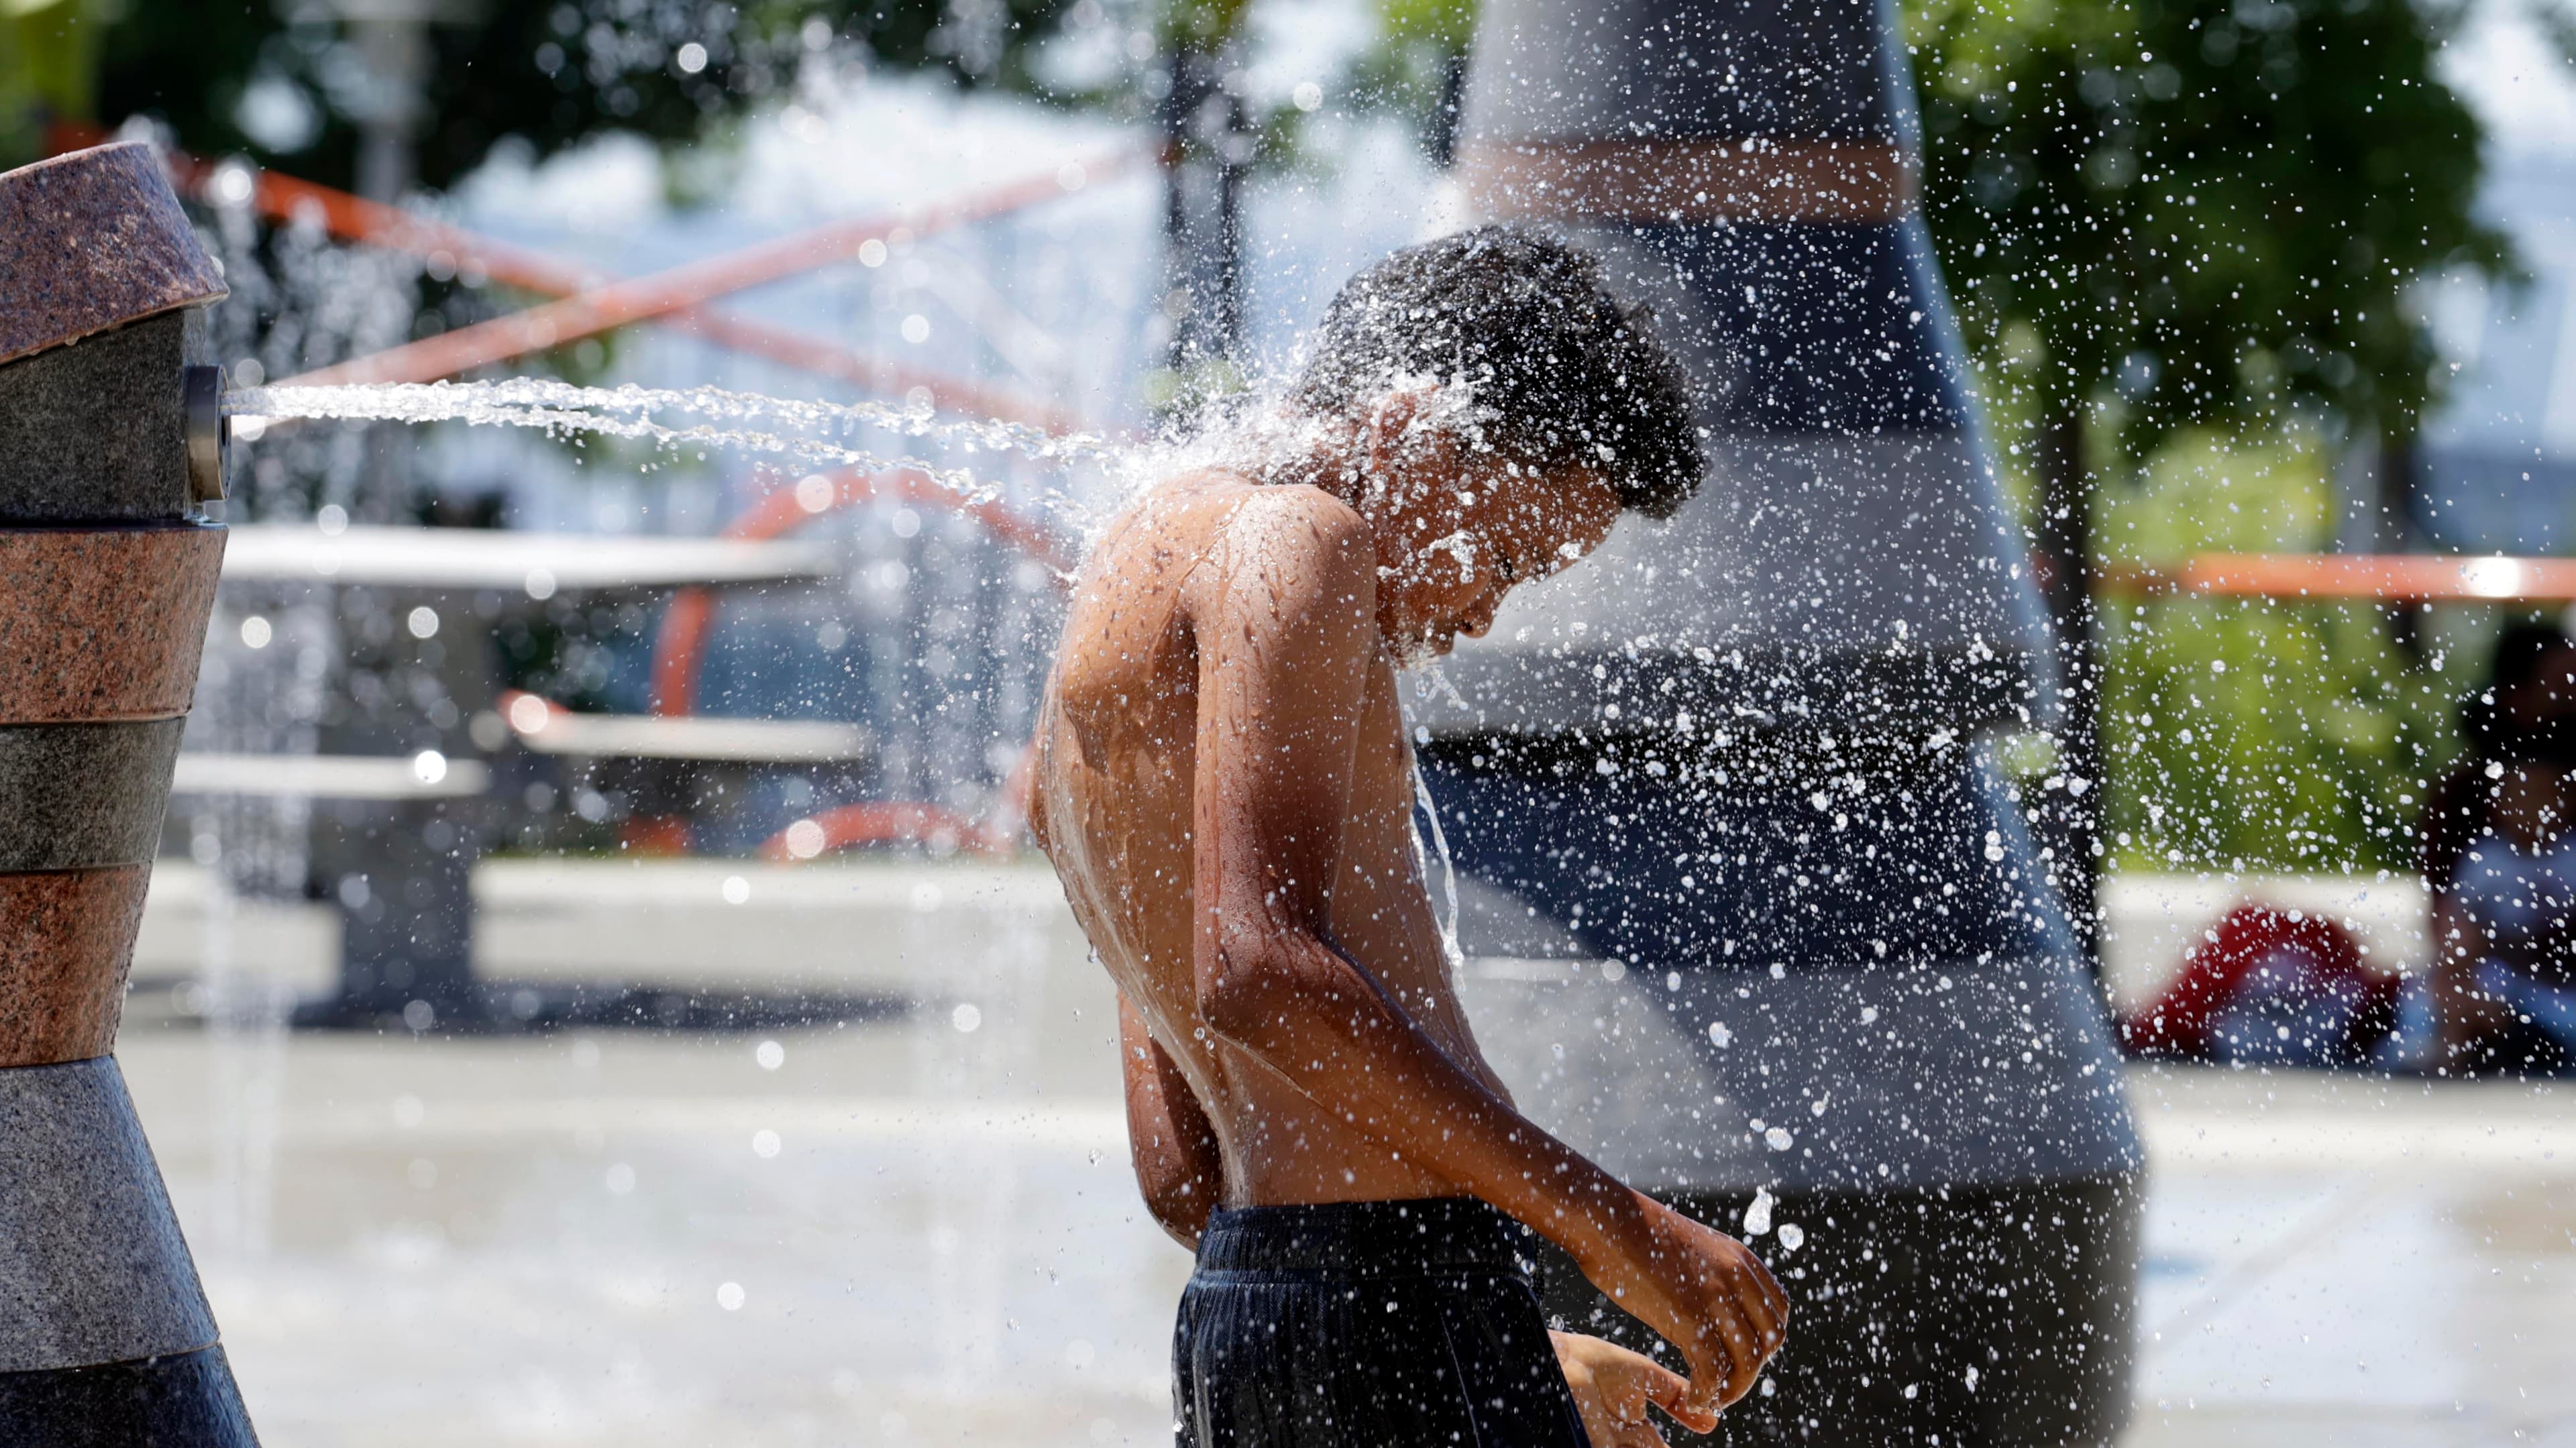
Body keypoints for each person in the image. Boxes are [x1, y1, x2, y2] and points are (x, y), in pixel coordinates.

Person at [1029, 227, 1789, 1447]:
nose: (1485, 606)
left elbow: (1184, 1170)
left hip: (1256, 1313)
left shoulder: (1119, 591)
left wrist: (1514, 1337)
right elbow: (1261, 975)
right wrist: (1615, 1228)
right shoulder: (1300, 542)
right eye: (1505, 553)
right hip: (1396, 1303)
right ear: (1415, 420)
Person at [2420, 620, 2576, 1072]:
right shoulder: (2461, 806)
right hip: (2502, 981)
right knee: (2450, 996)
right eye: (2560, 689)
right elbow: (2450, 933)